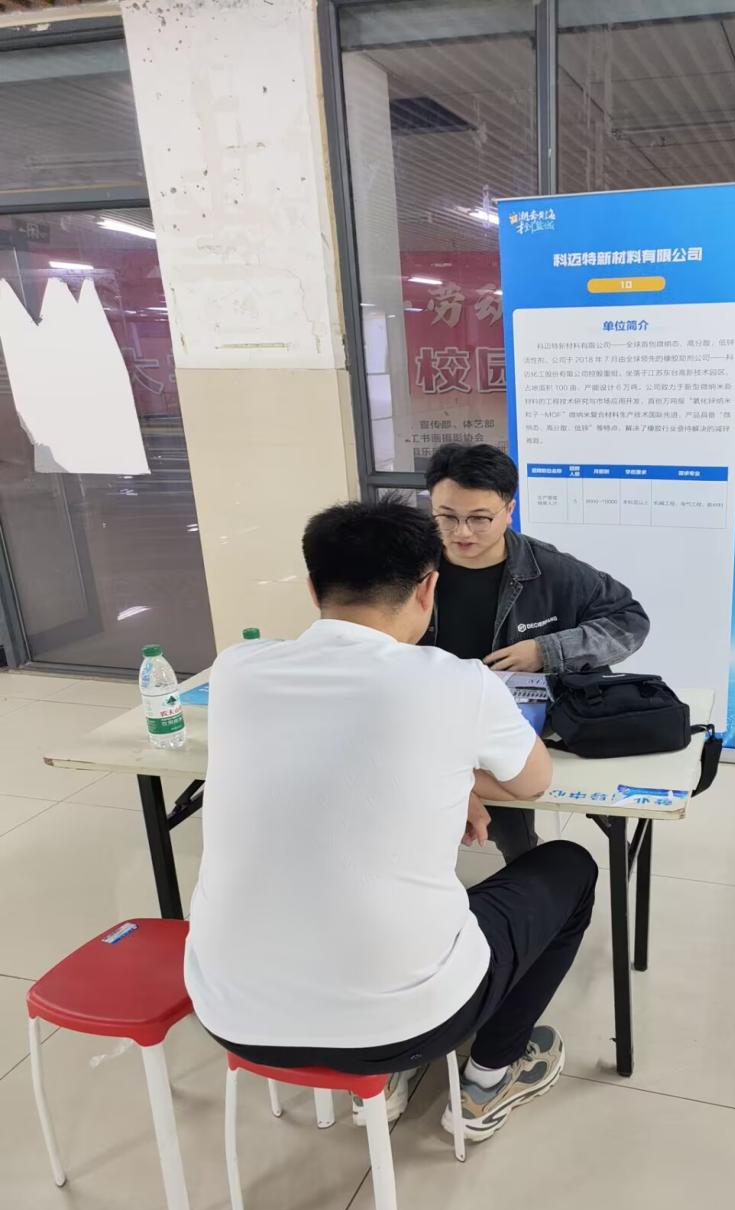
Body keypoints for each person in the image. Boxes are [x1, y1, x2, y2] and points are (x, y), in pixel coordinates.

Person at [184, 498, 598, 1142]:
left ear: (312, 588)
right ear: (428, 587)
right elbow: (533, 781)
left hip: (230, 1017)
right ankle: (492, 1076)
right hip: (404, 1027)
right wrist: (459, 770)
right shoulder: (458, 681)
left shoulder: (239, 668)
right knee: (569, 866)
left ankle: (399, 1078)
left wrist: (448, 772)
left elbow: (328, 750)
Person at [424, 443, 650, 861]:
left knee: (515, 835)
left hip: (507, 727)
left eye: (479, 518)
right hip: (424, 723)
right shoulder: (410, 566)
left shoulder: (550, 570)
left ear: (509, 510)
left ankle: (524, 871)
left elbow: (630, 622)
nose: (462, 533)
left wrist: (548, 650)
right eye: (447, 517)